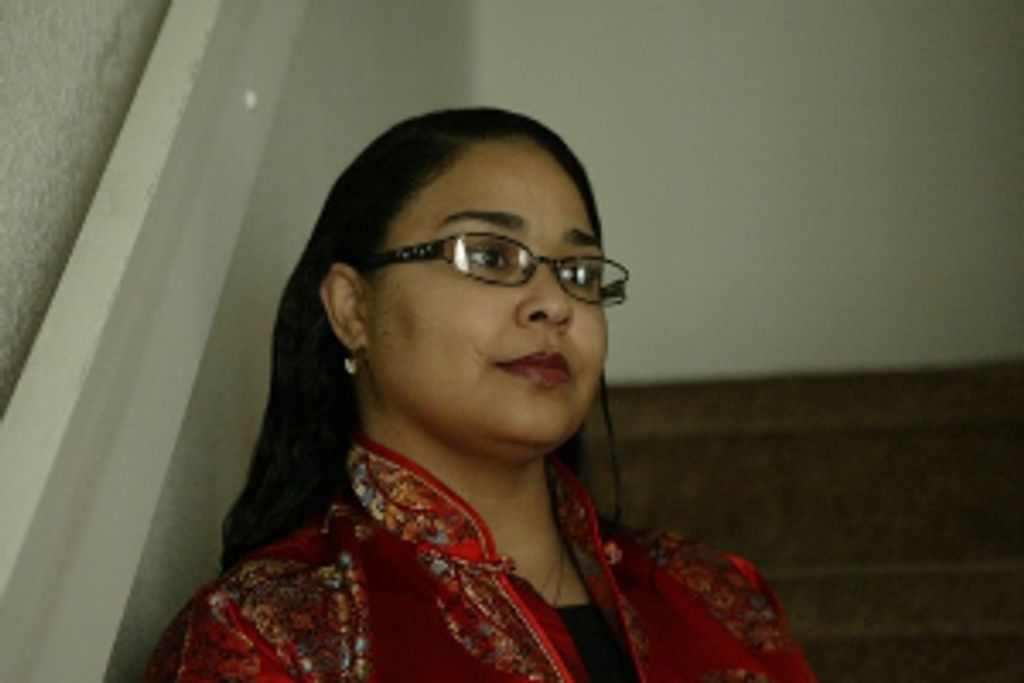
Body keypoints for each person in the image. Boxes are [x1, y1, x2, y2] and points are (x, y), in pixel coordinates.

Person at [145, 108, 816, 682]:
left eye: (579, 271)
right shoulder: (264, 634)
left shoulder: (717, 595)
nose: (554, 302)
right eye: (491, 257)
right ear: (353, 309)